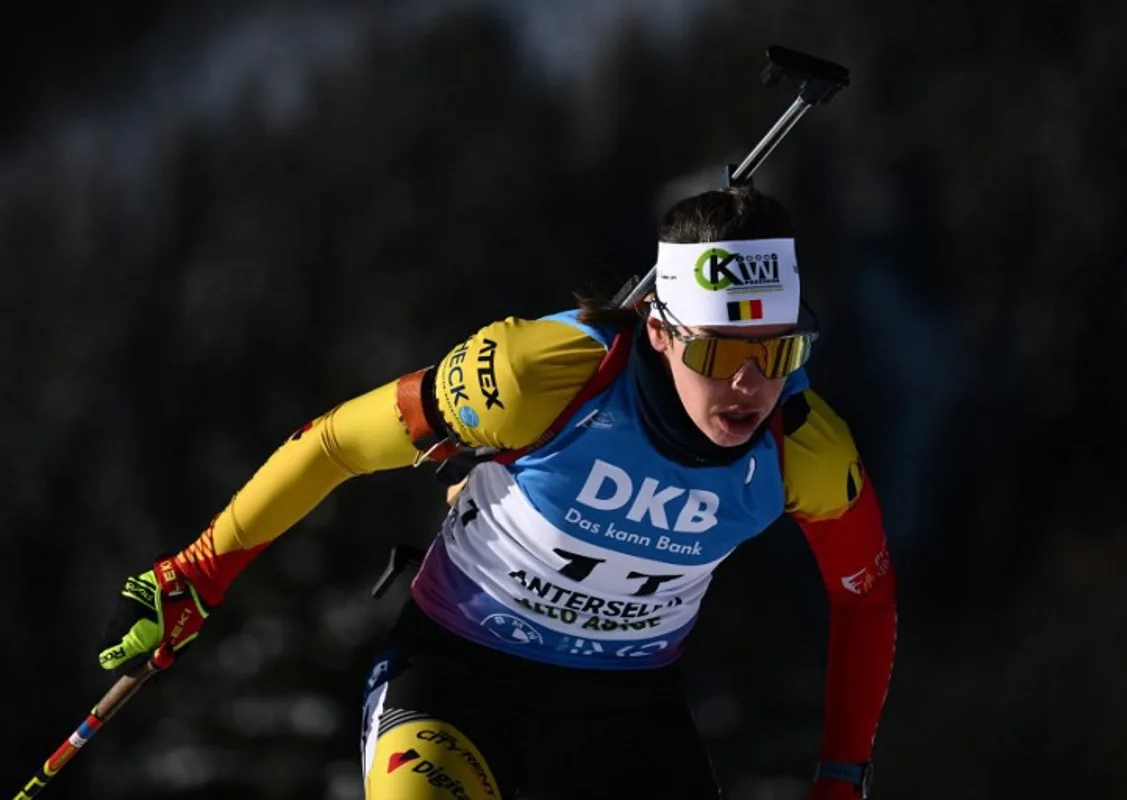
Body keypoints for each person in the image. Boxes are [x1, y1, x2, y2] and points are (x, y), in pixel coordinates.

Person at [98, 185, 897, 799]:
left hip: (626, 717)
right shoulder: (534, 380)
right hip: (459, 680)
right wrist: (198, 574)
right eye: (721, 354)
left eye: (779, 348)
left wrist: (840, 775)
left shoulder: (806, 451)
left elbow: (866, 600)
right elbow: (338, 441)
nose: (752, 385)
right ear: (659, 328)